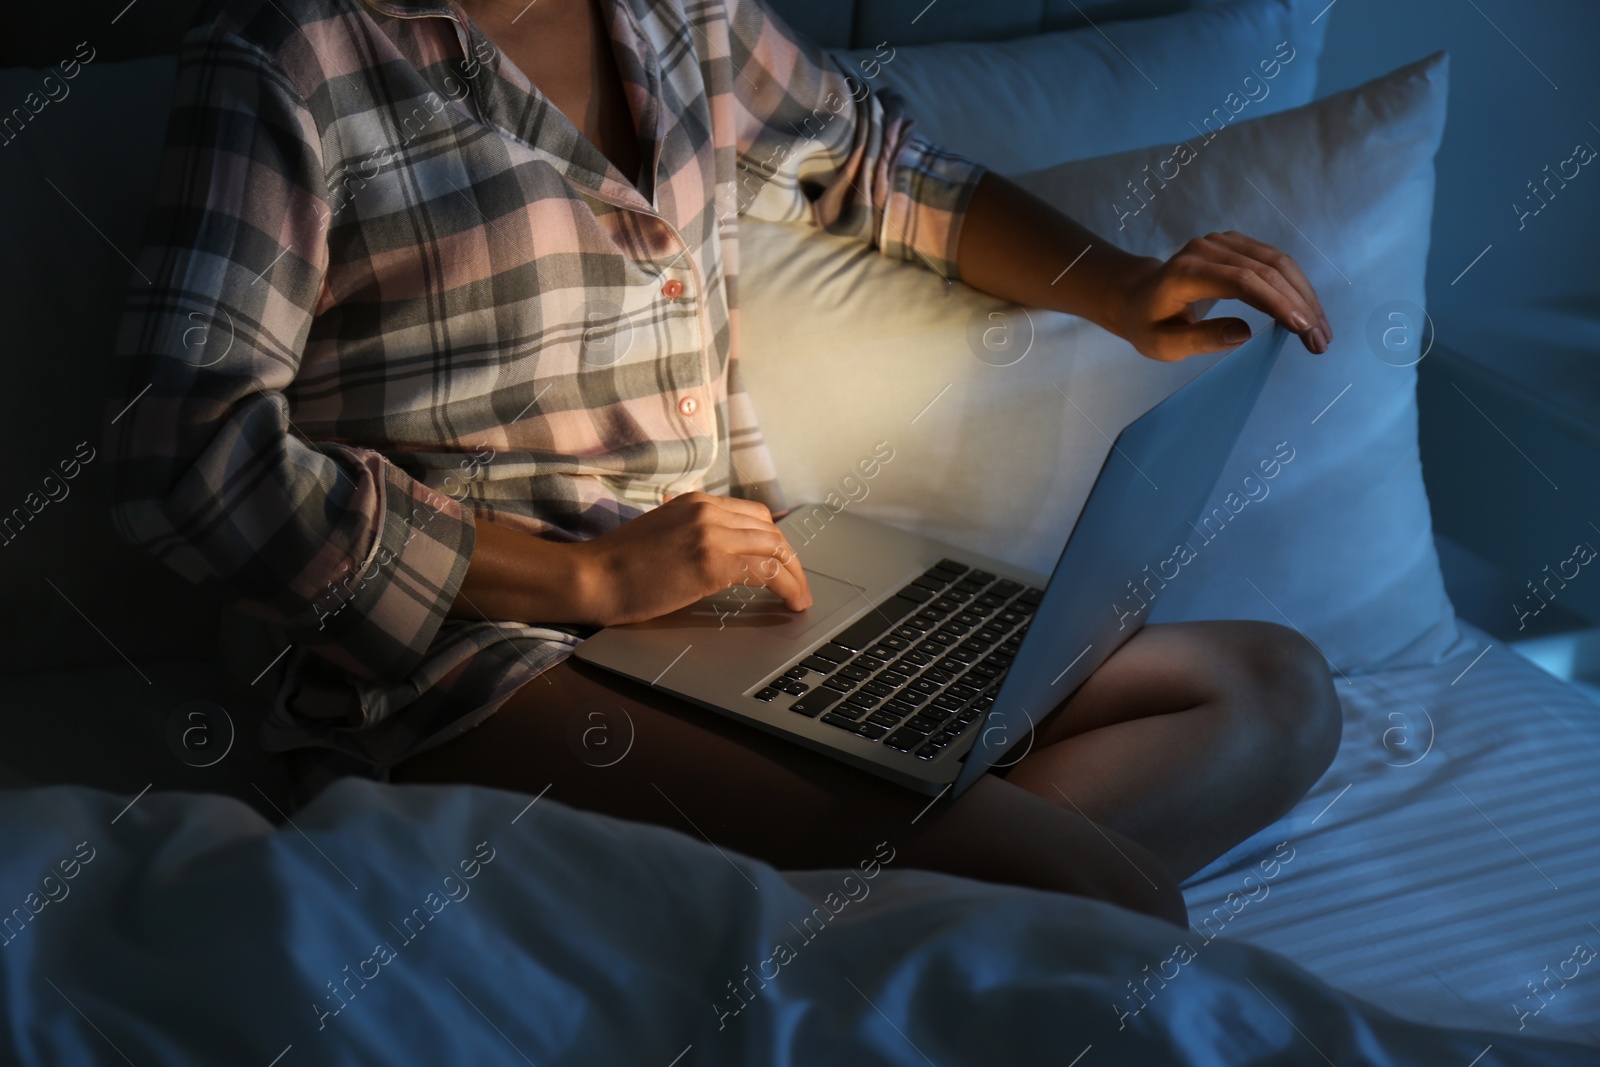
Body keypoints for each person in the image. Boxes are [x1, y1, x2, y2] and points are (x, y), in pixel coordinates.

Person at [104, 0, 1341, 926]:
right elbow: (182, 452)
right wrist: (584, 582)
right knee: (1101, 899)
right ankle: (923, 893)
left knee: (1271, 690)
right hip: (488, 662)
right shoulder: (292, 56)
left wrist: (1119, 285)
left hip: (745, 609)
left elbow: (878, 169)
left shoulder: (676, 11)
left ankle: (816, 916)